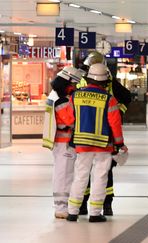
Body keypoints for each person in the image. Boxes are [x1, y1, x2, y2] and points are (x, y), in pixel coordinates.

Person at [65, 63, 128, 223]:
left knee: (80, 176)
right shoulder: (109, 99)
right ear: (105, 81)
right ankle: (94, 213)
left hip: (81, 144)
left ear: (89, 79)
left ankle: (72, 212)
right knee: (100, 178)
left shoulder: (75, 96)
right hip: (102, 145)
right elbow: (115, 124)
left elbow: (69, 119)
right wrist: (120, 144)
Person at [77, 51, 131, 216]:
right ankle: (102, 205)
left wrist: (119, 111)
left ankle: (85, 206)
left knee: (84, 172)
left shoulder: (82, 83)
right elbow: (126, 98)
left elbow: (126, 97)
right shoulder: (110, 83)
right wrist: (118, 113)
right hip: (106, 134)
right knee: (104, 172)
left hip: (85, 133)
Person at [42, 66, 84, 219]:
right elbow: (70, 121)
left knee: (63, 173)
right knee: (64, 174)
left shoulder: (55, 95)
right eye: (73, 84)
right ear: (67, 82)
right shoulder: (61, 100)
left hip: (60, 142)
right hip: (64, 142)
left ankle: (63, 205)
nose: (74, 87)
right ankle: (61, 207)